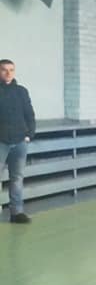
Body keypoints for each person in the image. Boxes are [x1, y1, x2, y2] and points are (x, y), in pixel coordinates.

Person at [0, 59, 34, 224]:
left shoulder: (21, 91)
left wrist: (29, 134)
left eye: (11, 70)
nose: (8, 73)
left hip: (20, 141)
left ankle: (16, 213)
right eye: (4, 70)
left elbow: (29, 114)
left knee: (17, 178)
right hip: (1, 141)